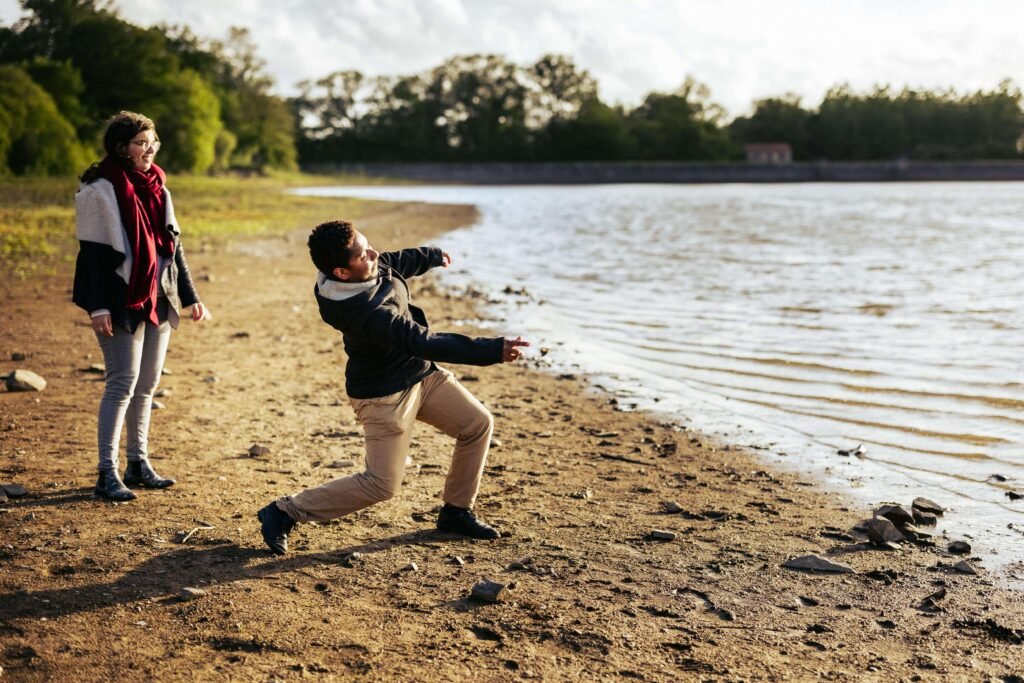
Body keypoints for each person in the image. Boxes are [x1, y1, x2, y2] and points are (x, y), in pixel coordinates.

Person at [257, 220, 528, 555]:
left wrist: (429, 256)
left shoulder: (363, 266)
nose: (373, 254)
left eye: (368, 245)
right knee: (381, 485)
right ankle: (285, 512)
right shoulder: (366, 313)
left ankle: (456, 512)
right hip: (383, 396)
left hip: (420, 376)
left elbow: (393, 262)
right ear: (341, 273)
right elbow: (422, 340)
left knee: (477, 423)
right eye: (363, 254)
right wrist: (490, 349)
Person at [72, 111, 209, 501]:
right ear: (121, 148)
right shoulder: (97, 190)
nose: (149, 149)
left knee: (147, 385)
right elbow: (93, 256)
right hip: (120, 299)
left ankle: (137, 463)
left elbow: (173, 248)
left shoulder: (160, 187)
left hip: (159, 295)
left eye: (153, 142)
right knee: (121, 384)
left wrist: (192, 297)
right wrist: (97, 307)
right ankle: (105, 472)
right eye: (141, 143)